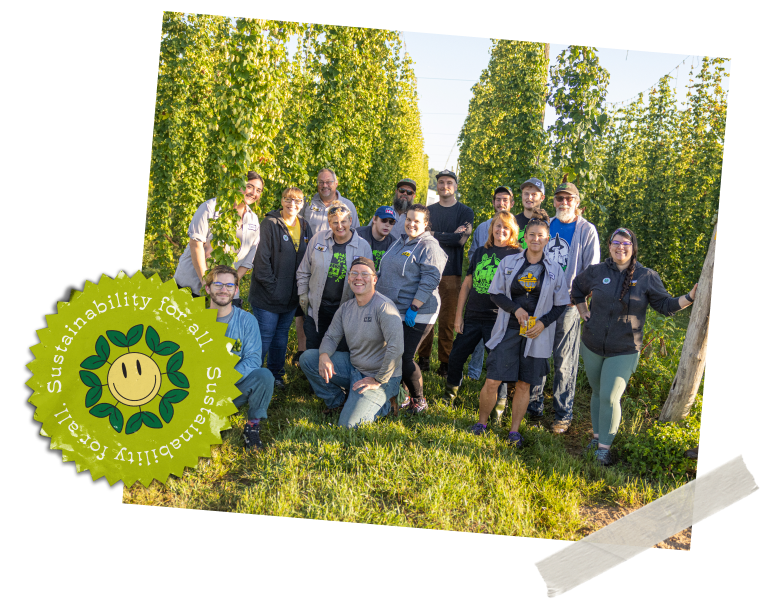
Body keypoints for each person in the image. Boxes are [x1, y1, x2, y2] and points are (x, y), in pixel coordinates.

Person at [572, 227, 698, 465]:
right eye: (616, 243)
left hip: (625, 348)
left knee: (610, 396)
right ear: (609, 246)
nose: (621, 247)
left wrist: (690, 297)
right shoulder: (597, 271)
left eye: (626, 244)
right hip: (592, 343)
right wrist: (583, 311)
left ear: (633, 248)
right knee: (598, 393)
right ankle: (597, 437)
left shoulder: (647, 276)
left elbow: (666, 305)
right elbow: (577, 288)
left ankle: (604, 449)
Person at [470, 209, 569, 447]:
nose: (536, 239)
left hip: (536, 333)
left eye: (541, 236)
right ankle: (482, 423)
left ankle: (514, 431)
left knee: (525, 383)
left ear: (547, 239)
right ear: (525, 236)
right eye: (532, 235)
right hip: (509, 329)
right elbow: (495, 293)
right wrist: (515, 309)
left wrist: (543, 322)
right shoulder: (509, 262)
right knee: (493, 379)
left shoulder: (555, 269)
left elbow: (561, 305)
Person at [528, 177, 601, 434]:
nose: (564, 202)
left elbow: (591, 271)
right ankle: (534, 407)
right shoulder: (545, 226)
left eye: (569, 198)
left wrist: (578, 299)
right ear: (554, 201)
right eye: (560, 198)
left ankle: (562, 413)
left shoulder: (586, 230)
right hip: (541, 302)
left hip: (569, 305)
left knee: (564, 360)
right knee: (538, 354)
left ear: (577, 202)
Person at [299, 258, 404, 428]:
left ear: (375, 279)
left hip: (383, 377)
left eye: (364, 274)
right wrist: (324, 355)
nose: (358, 278)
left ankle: (389, 401)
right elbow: (331, 337)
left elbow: (396, 348)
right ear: (348, 279)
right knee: (309, 358)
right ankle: (338, 402)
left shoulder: (384, 307)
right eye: (354, 273)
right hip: (354, 368)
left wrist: (378, 380)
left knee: (350, 425)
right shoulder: (346, 308)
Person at [443, 212, 522, 423]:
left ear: (512, 231)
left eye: (506, 228)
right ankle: (449, 395)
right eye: (497, 226)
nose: (501, 231)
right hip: (473, 315)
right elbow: (467, 284)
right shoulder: (480, 252)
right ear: (491, 228)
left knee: (498, 365)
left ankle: (498, 409)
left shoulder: (518, 255)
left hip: (498, 319)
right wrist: (459, 316)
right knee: (456, 356)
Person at [375, 204, 447, 414]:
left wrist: (414, 307)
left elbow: (430, 279)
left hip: (418, 311)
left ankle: (419, 400)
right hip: (395, 308)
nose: (411, 224)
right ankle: (403, 395)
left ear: (425, 224)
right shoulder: (401, 240)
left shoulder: (429, 246)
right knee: (394, 354)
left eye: (417, 221)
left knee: (404, 356)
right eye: (408, 219)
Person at [293, 169, 361, 365]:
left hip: (341, 289)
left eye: (329, 182)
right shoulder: (308, 206)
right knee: (310, 320)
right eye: (321, 182)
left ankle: (333, 369)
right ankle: (305, 355)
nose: (325, 185)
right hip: (313, 262)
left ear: (336, 183)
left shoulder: (349, 207)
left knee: (337, 337)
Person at [248, 186, 311, 390]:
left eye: (297, 201)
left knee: (281, 338)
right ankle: (252, 378)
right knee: (264, 338)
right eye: (288, 200)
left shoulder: (305, 225)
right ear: (282, 200)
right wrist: (274, 289)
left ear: (302, 204)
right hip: (268, 296)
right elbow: (261, 262)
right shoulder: (270, 223)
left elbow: (307, 258)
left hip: (290, 297)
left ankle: (276, 375)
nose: (292, 204)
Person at [205, 265, 274, 450]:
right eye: (217, 284)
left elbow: (252, 360)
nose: (223, 290)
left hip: (233, 388)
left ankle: (252, 426)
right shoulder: (194, 321)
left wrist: (225, 381)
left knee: (264, 376)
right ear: (207, 288)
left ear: (236, 290)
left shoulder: (247, 321)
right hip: (202, 393)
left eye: (229, 285)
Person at [174, 171, 263, 305]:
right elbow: (196, 245)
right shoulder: (210, 208)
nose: (254, 193)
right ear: (237, 184)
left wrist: (228, 287)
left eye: (258, 190)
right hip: (192, 288)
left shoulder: (253, 220)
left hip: (225, 295)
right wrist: (207, 285)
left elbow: (248, 260)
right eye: (249, 186)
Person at [416, 169, 474, 377]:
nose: (444, 186)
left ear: (456, 186)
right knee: (425, 315)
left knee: (447, 320)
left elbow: (460, 240)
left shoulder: (465, 212)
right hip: (427, 270)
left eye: (449, 182)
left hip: (451, 272)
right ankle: (423, 359)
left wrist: (432, 234)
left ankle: (445, 362)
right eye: (440, 182)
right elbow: (422, 237)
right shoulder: (428, 211)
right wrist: (444, 236)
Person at [297, 201, 373, 354]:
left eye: (344, 221)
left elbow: (368, 280)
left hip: (346, 310)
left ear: (350, 221)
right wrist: (303, 294)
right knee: (313, 348)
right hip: (317, 307)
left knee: (338, 351)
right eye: (335, 222)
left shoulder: (363, 246)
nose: (340, 226)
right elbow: (304, 270)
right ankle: (314, 376)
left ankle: (331, 377)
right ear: (329, 223)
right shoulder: (318, 239)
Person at [465, 185, 516, 382]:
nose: (501, 203)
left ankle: (501, 377)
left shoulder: (515, 226)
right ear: (493, 202)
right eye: (498, 199)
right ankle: (474, 373)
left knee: (501, 338)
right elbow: (474, 255)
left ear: (511, 203)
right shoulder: (481, 228)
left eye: (505, 200)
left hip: (504, 299)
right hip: (481, 292)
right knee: (477, 336)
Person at [356, 206, 397, 272]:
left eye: (391, 222)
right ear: (374, 219)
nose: (387, 224)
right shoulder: (358, 235)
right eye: (384, 220)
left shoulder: (394, 244)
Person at [514, 178, 547, 248]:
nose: (529, 197)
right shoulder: (512, 222)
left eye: (534, 194)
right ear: (522, 195)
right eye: (526, 194)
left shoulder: (547, 223)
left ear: (542, 198)